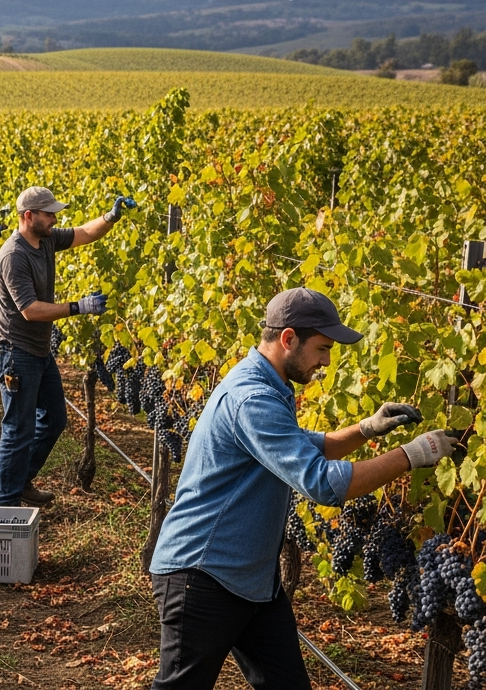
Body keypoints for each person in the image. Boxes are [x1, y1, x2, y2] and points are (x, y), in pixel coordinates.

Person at [148, 287, 453, 689]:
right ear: (288, 338)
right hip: (203, 576)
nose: (327, 361)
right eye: (323, 348)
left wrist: (366, 429)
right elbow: (322, 484)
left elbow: (305, 444)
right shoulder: (252, 398)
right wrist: (412, 455)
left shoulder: (267, 384)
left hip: (252, 582)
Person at [0, 186, 135, 509]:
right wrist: (77, 307)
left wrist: (111, 217)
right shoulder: (14, 255)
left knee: (54, 419)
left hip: (38, 351)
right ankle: (6, 503)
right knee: (18, 428)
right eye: (49, 213)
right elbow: (30, 310)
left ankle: (21, 480)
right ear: (29, 217)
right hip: (14, 353)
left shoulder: (46, 239)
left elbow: (85, 233)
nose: (55, 218)